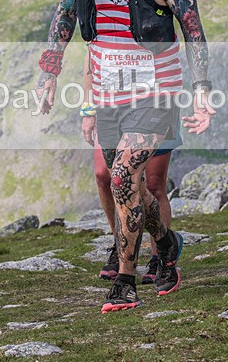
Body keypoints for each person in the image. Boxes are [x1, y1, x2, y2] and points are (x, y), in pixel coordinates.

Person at [36, 0, 214, 313]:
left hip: (158, 90)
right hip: (107, 89)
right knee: (123, 184)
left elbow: (193, 29)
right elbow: (64, 15)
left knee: (124, 178)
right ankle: (167, 244)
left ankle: (125, 281)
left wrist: (202, 92)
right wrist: (49, 74)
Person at [80, 51, 181, 285]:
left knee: (153, 185)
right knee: (105, 176)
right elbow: (91, 57)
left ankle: (159, 256)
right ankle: (121, 245)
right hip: (112, 104)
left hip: (155, 101)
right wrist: (88, 109)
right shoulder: (101, 15)